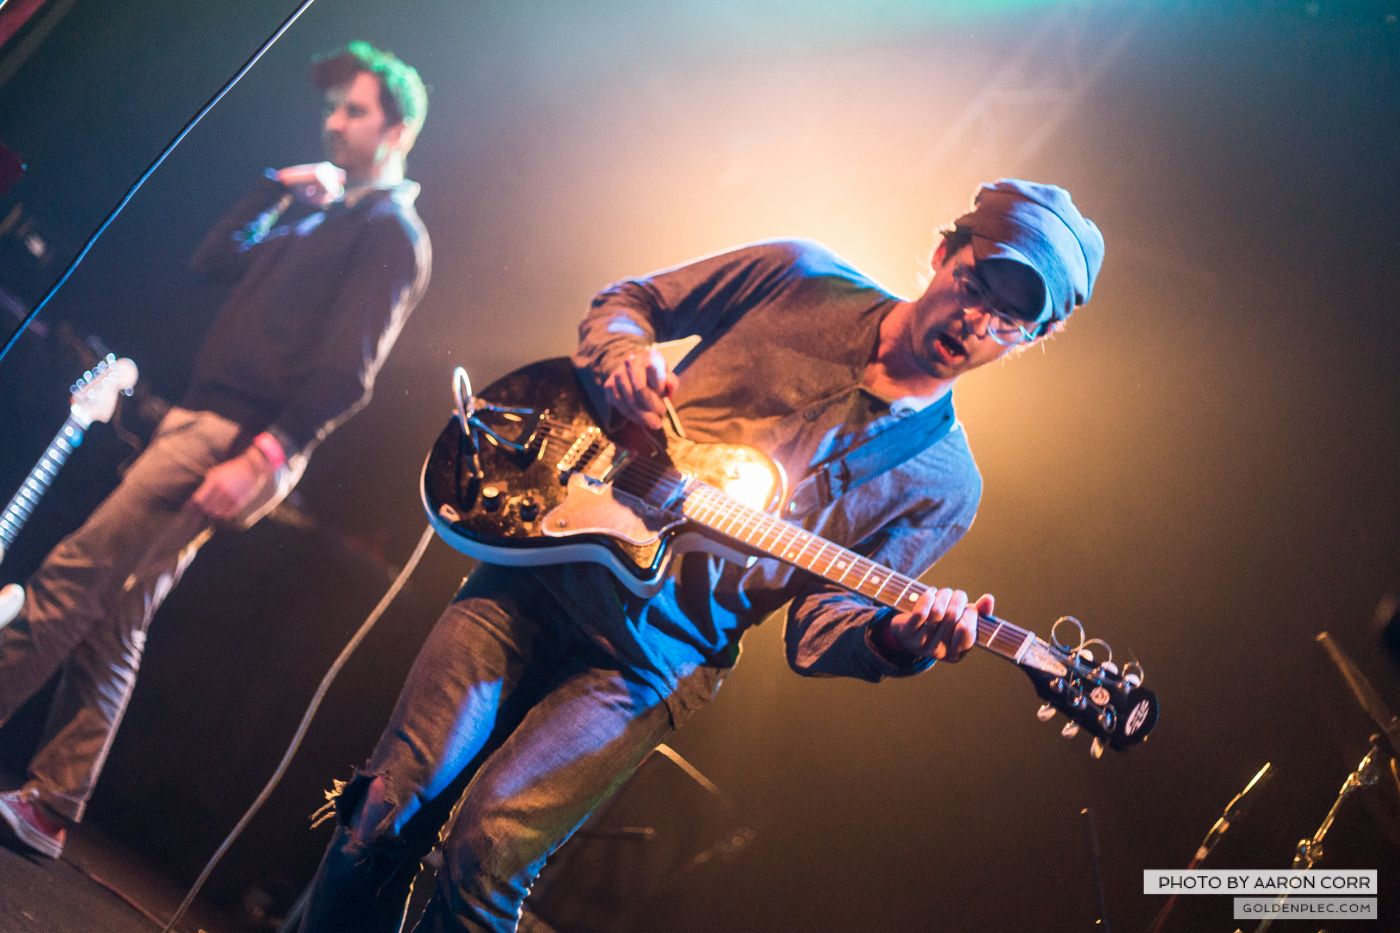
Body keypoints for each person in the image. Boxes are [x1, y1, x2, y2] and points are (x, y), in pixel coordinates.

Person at [296, 179, 1103, 933]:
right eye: (976, 287)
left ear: (1038, 336)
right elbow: (630, 303)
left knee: (485, 855)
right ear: (943, 253)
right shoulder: (800, 275)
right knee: (385, 809)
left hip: (653, 662)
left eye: (1010, 320)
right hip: (547, 563)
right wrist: (624, 360)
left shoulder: (945, 483)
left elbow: (820, 630)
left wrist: (900, 640)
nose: (977, 323)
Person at [0, 41, 431, 858]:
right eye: (334, 107)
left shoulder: (391, 232)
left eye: (355, 110)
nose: (335, 122)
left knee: (74, 577)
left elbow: (350, 373)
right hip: (201, 422)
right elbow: (212, 262)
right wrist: (272, 190)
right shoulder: (318, 213)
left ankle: (52, 798)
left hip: (237, 438)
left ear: (397, 129)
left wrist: (266, 455)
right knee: (118, 615)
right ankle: (53, 804)